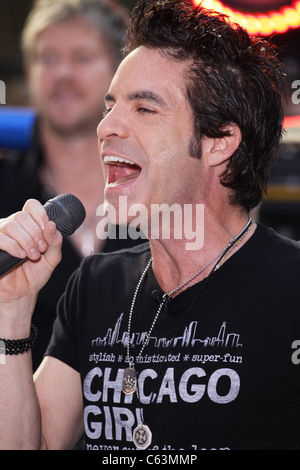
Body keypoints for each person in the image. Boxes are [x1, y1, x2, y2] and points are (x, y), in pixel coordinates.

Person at [0, 0, 299, 451]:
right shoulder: (95, 285)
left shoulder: (291, 287)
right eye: (111, 106)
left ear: (220, 141)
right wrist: (12, 311)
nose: (106, 127)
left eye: (144, 109)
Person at [0, 0, 142, 372]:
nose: (62, 73)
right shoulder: (4, 188)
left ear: (119, 72)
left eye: (82, 57)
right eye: (47, 58)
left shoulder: (164, 193)